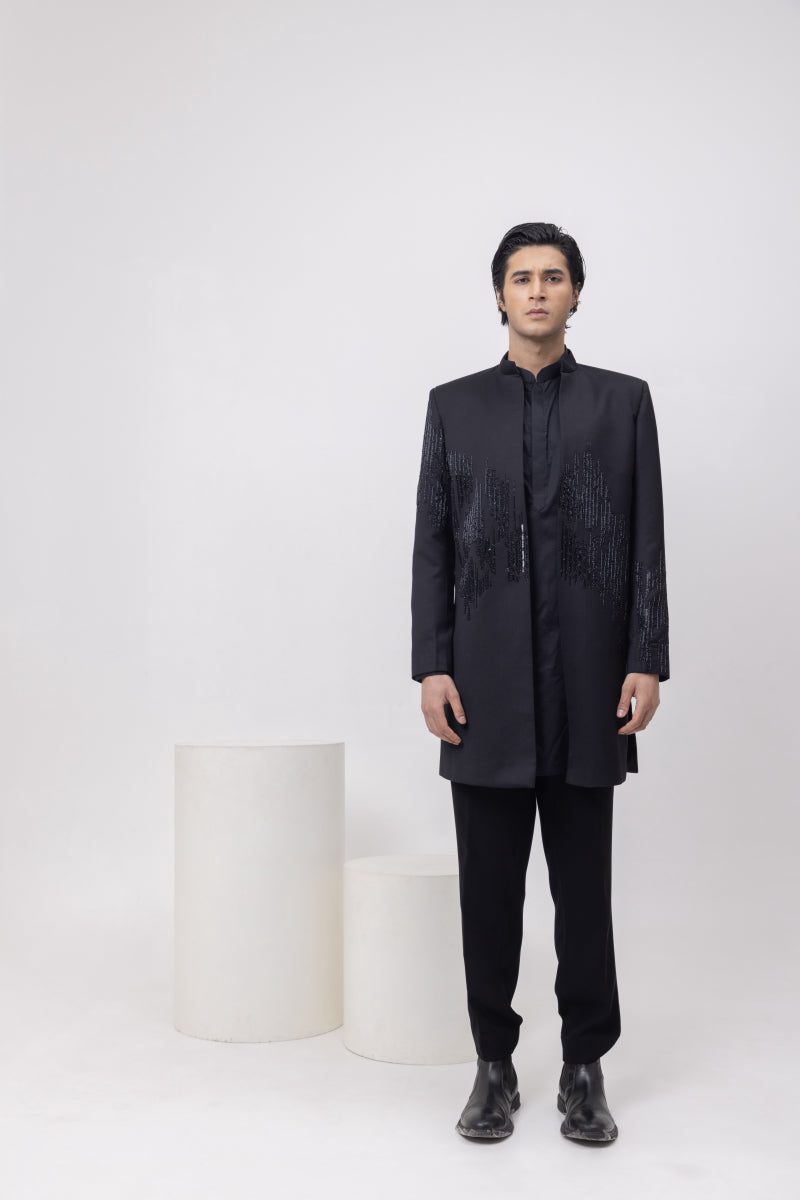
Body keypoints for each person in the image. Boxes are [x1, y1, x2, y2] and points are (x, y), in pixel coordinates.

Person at [410, 222, 670, 1144]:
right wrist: (432, 664)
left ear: (575, 294)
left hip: (590, 685)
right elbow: (433, 544)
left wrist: (647, 656)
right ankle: (493, 1066)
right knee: (489, 893)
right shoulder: (454, 406)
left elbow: (646, 536)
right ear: (498, 295)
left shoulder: (621, 403)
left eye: (552, 277)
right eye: (520, 277)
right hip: (483, 689)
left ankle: (584, 1067)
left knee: (583, 892)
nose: (536, 291)